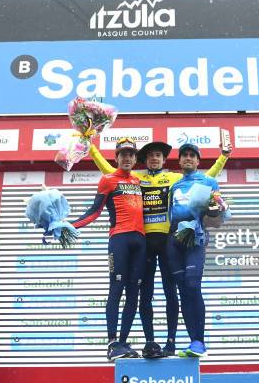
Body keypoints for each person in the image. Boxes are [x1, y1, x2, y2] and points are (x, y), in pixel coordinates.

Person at [88, 140, 230, 357]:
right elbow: (109, 172)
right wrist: (91, 147)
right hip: (143, 242)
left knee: (171, 292)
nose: (154, 158)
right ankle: (150, 342)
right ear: (144, 160)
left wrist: (223, 157)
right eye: (151, 156)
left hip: (168, 241)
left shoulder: (175, 178)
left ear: (165, 160)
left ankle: (171, 342)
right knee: (145, 294)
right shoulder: (136, 178)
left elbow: (206, 180)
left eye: (159, 156)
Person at [71, 138, 145, 361]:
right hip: (119, 239)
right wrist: (70, 226)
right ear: (116, 157)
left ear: (135, 158)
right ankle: (112, 342)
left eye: (131, 154)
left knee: (134, 292)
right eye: (123, 154)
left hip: (140, 242)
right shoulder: (107, 180)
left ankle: (123, 341)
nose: (127, 158)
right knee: (117, 287)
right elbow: (94, 212)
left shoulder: (139, 182)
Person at [168, 143, 220, 357]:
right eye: (184, 155)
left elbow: (216, 220)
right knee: (182, 291)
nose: (188, 158)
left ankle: (200, 341)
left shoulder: (209, 182)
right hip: (173, 240)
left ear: (198, 161)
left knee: (192, 285)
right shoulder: (174, 186)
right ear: (179, 161)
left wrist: (215, 210)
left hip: (195, 238)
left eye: (192, 155)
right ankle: (193, 344)